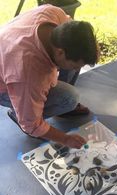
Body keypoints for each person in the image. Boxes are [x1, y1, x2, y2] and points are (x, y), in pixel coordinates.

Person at [0, 4, 99, 148]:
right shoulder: (29, 74)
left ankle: (37, 109)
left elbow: (75, 33)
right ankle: (19, 113)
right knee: (69, 98)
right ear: (60, 53)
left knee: (74, 63)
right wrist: (65, 139)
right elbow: (31, 125)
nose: (77, 69)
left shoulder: (53, 13)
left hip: (10, 55)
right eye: (75, 65)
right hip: (5, 86)